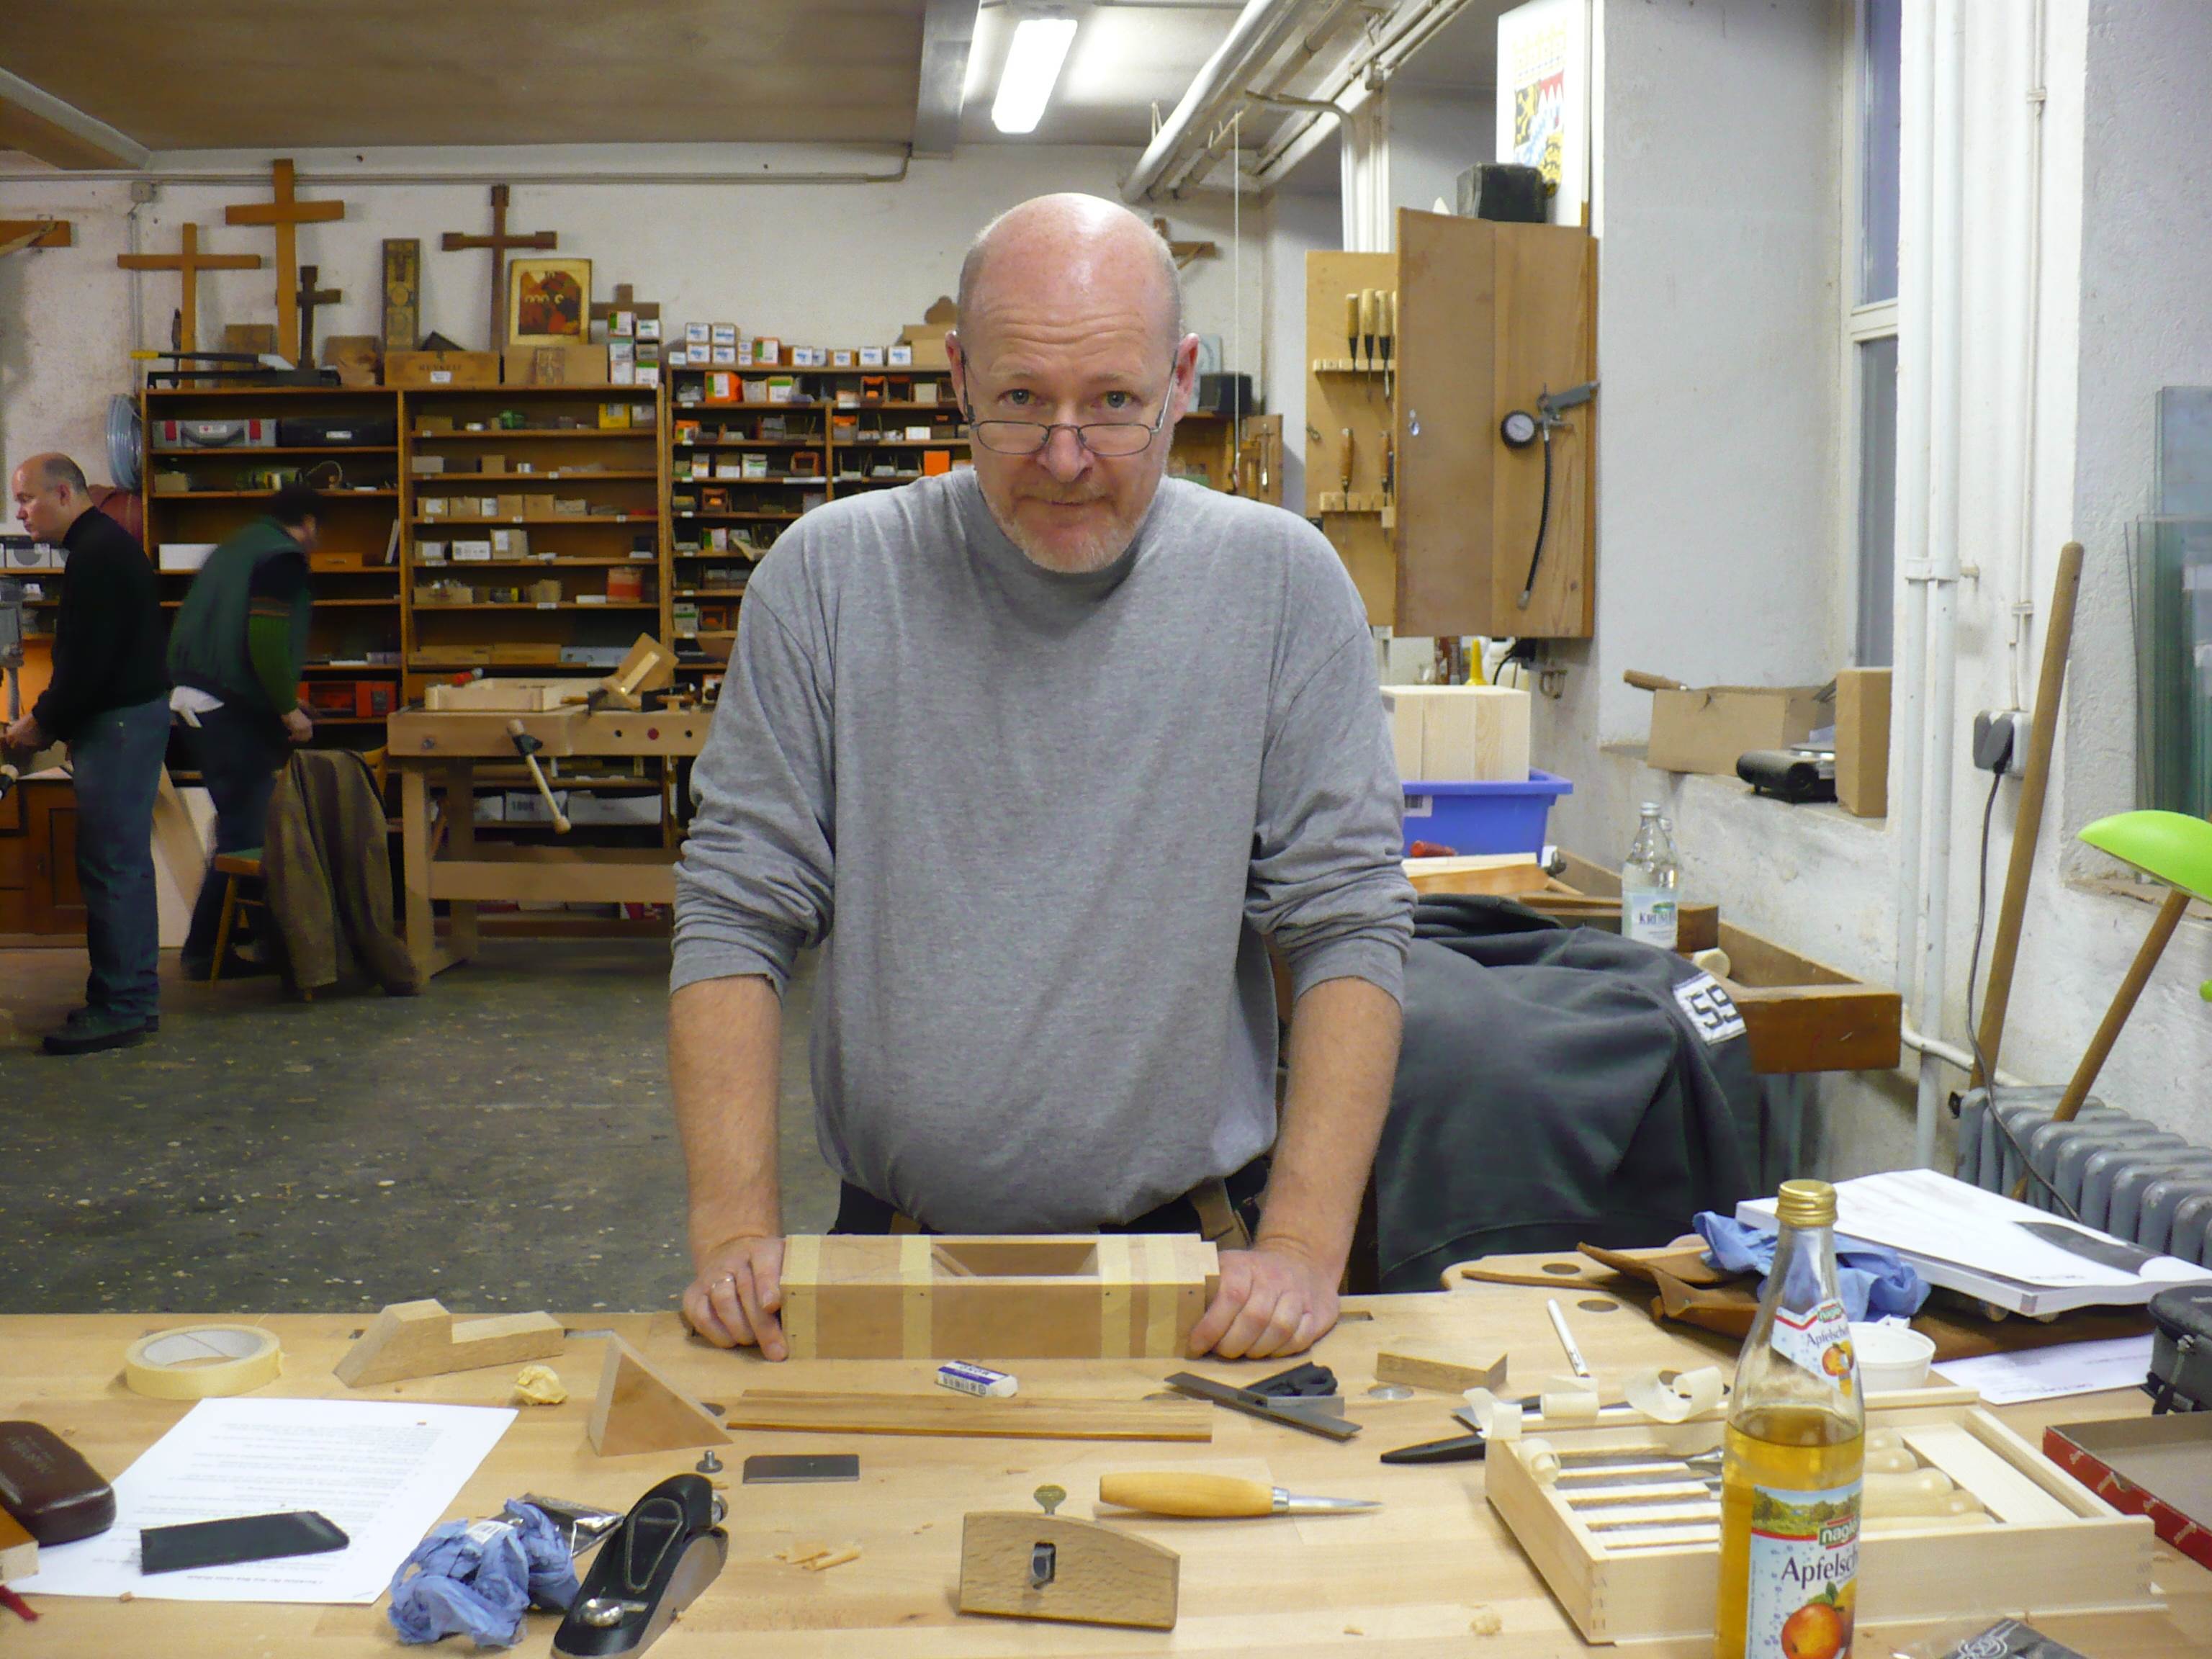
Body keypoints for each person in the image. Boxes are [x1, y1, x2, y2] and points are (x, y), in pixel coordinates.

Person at [670, 194, 1412, 1363]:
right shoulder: (828, 582)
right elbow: (733, 910)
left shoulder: (1281, 587)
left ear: (1180, 380)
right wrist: (731, 1236)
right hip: (886, 1259)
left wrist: (1306, 1247)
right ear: (959, 377)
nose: (1066, 460)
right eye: (1020, 400)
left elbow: (1350, 922)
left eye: (1113, 403)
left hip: (1195, 1281)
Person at [6, 454, 168, 1054]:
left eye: (27, 499)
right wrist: (49, 716)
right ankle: (133, 999)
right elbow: (89, 657)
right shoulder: (100, 548)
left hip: (119, 724)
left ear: (64, 494)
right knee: (123, 866)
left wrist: (42, 722)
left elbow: (88, 663)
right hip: (127, 719)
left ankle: (121, 1007)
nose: (21, 514)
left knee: (112, 867)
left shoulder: (97, 555)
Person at [166, 482, 320, 979]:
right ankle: (205, 952)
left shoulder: (235, 548)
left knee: (247, 825)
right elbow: (266, 638)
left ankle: (261, 943)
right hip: (225, 707)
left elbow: (223, 632)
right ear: (309, 523)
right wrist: (287, 709)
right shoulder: (282, 558)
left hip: (197, 695)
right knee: (247, 833)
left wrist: (282, 700)